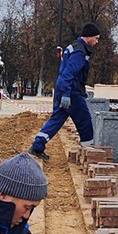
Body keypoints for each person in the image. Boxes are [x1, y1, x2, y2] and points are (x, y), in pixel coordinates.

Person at [28, 22, 101, 161]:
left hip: (62, 87)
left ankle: (37, 146)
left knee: (57, 119)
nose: (97, 41)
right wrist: (67, 94)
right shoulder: (80, 51)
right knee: (85, 120)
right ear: (88, 36)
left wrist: (63, 92)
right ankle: (90, 153)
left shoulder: (72, 47)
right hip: (71, 90)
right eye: (96, 38)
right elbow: (69, 72)